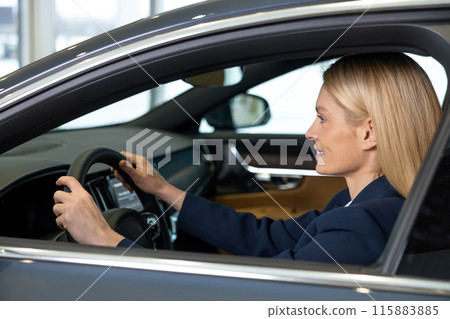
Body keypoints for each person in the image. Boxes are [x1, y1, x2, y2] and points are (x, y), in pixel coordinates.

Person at [53, 52, 442, 265]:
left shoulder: (360, 228)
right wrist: (164, 190)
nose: (310, 132)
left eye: (322, 118)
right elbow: (266, 239)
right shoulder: (366, 202)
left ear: (369, 132)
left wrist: (107, 240)